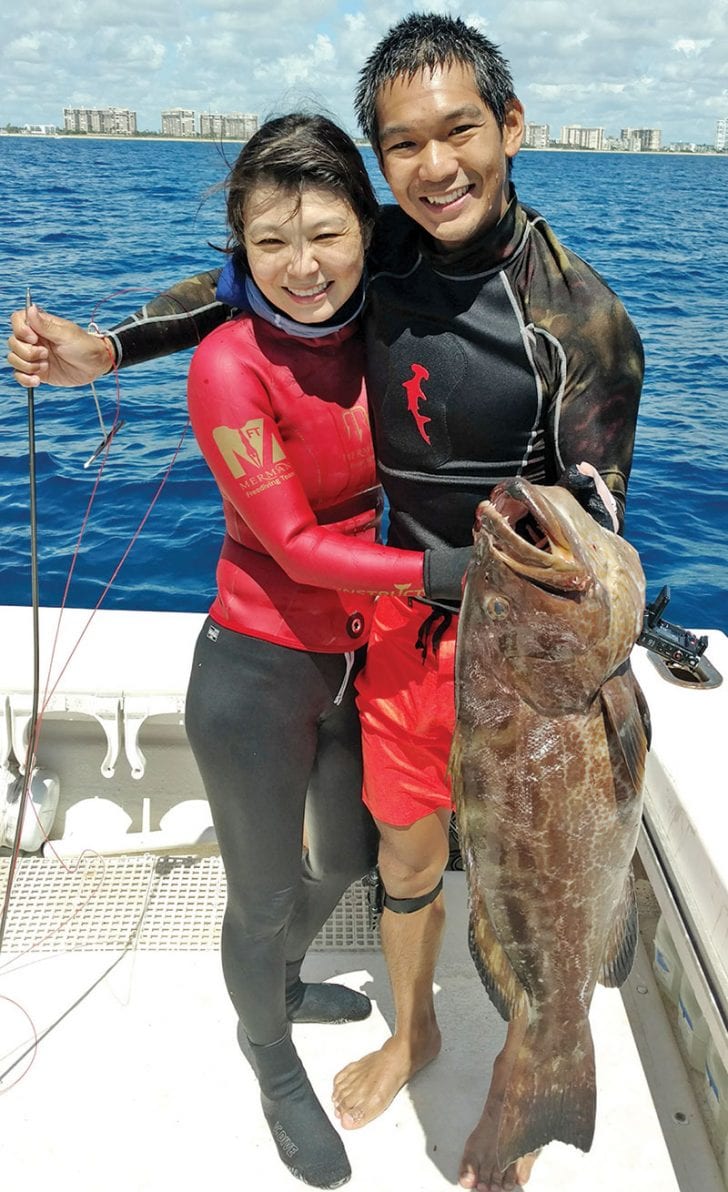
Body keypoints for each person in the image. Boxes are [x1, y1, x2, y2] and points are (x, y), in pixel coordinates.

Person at [7, 14, 644, 1190]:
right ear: (379, 162)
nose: (435, 165)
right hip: (379, 628)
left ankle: (532, 1048)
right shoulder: (379, 250)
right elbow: (237, 288)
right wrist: (105, 348)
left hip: (501, 650)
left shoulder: (582, 323)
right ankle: (359, 1038)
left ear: (511, 126)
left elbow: (603, 516)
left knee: (476, 862)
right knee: (390, 861)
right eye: (403, 144)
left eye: (458, 130)